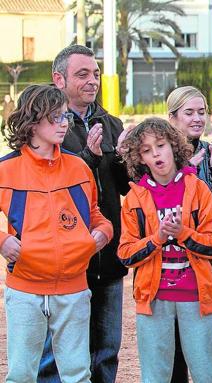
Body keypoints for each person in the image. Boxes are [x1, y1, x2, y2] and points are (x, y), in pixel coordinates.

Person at [0, 84, 113, 382]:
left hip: (74, 290)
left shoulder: (78, 167)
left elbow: (94, 215)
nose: (64, 123)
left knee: (77, 374)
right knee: (22, 374)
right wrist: (2, 240)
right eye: (55, 117)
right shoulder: (5, 169)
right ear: (32, 120)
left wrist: (103, 231)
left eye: (65, 117)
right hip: (25, 290)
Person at [39, 44, 131, 383]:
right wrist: (89, 157)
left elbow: (123, 187)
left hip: (108, 253)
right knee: (56, 350)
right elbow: (52, 180)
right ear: (58, 79)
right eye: (82, 75)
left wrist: (125, 159)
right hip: (64, 258)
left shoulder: (111, 122)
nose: (92, 81)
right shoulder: (45, 127)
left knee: (107, 348)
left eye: (95, 74)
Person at [117, 117, 212, 382]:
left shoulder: (199, 189)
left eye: (161, 145)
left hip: (196, 296)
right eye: (146, 150)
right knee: (155, 376)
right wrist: (158, 238)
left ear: (174, 146)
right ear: (140, 159)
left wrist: (182, 234)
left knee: (207, 372)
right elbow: (126, 253)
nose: (156, 154)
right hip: (153, 298)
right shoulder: (134, 198)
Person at [167, 86, 212, 383]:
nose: (197, 119)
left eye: (201, 112)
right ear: (172, 118)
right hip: (175, 261)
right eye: (189, 113)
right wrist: (187, 171)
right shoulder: (160, 155)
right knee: (176, 350)